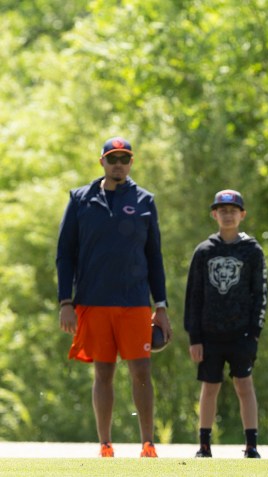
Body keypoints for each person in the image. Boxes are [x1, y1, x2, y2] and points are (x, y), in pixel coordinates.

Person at [56, 136, 173, 458]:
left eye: (124, 158)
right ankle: (105, 444)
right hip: (92, 302)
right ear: (102, 162)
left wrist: (160, 306)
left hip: (135, 302)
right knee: (103, 372)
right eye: (112, 158)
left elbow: (155, 257)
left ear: (131, 162)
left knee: (141, 372)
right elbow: (64, 254)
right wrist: (65, 302)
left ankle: (148, 443)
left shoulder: (145, 200)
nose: (118, 163)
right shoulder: (80, 199)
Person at [184, 189, 267, 458]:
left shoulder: (252, 250)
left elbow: (261, 292)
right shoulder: (204, 251)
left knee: (244, 385)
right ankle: (204, 445)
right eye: (222, 210)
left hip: (241, 332)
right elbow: (193, 295)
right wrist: (194, 337)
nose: (228, 215)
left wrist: (254, 332)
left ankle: (251, 445)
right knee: (210, 387)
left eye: (233, 210)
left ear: (242, 214)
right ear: (214, 214)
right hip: (209, 334)